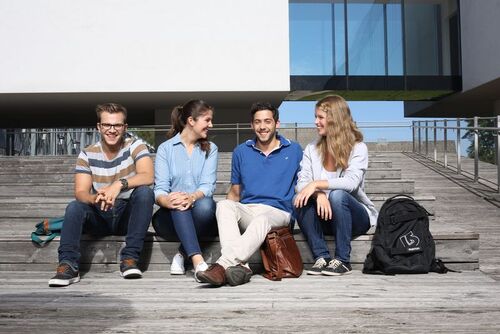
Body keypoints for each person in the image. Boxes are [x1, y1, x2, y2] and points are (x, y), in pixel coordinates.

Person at [195, 102, 303, 286]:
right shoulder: (241, 152)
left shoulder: (294, 150)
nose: (262, 126)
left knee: (262, 219)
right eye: (258, 122)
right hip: (249, 209)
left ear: (277, 124)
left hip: (279, 213)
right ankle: (241, 267)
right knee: (223, 205)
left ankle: (222, 265)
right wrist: (225, 216)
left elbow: (305, 182)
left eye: (267, 121)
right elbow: (235, 192)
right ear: (252, 125)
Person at [49, 103, 154, 287]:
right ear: (99, 126)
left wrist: (118, 185)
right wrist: (96, 198)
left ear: (125, 127)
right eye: (107, 125)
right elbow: (81, 192)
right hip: (99, 213)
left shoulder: (136, 146)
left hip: (127, 215)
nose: (112, 130)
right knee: (75, 207)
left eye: (117, 125)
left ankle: (129, 259)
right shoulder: (87, 154)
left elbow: (148, 176)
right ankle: (68, 264)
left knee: (145, 193)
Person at [294, 95, 378, 276]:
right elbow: (301, 184)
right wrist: (319, 194)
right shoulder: (311, 148)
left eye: (320, 117)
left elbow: (351, 183)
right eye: (316, 117)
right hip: (325, 217)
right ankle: (321, 257)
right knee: (299, 198)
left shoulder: (358, 148)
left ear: (335, 119)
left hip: (355, 219)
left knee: (338, 195)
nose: (316, 122)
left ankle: (342, 260)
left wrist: (317, 184)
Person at [153, 100, 218, 281]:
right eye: (207, 120)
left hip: (201, 217)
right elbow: (160, 189)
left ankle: (183, 254)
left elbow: (207, 186)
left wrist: (191, 197)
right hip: (168, 219)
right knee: (177, 203)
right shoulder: (165, 149)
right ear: (191, 121)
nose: (211, 125)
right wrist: (169, 201)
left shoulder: (211, 149)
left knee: (205, 205)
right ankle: (198, 262)